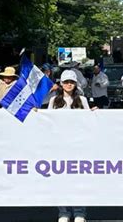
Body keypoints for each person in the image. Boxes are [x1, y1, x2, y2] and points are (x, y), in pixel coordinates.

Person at [48, 70, 89, 222]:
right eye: (66, 82)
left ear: (75, 83)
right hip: (60, 146)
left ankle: (80, 212)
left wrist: (94, 113)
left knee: (79, 180)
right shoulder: (54, 101)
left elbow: (89, 121)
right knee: (61, 180)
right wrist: (37, 114)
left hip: (78, 146)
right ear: (61, 84)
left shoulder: (82, 100)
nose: (69, 85)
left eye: (71, 82)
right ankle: (63, 212)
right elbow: (48, 122)